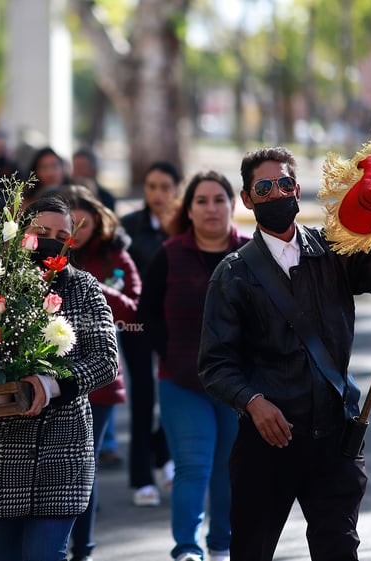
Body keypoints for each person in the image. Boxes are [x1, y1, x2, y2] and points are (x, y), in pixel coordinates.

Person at [198, 146, 371, 561]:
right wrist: (253, 402)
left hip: (335, 437)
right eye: (264, 187)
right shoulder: (233, 274)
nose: (277, 193)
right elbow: (215, 365)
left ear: (298, 190)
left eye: (284, 184)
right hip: (268, 444)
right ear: (247, 199)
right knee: (251, 550)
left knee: (339, 549)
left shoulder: (333, 251)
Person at [0, 194, 119, 561]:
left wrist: (48, 384)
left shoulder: (84, 288)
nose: (50, 241)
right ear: (16, 234)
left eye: (61, 236)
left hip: (62, 453)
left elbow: (106, 360)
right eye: (41, 231)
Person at [139, 170, 249, 561]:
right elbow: (146, 313)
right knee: (192, 467)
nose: (211, 208)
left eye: (218, 199)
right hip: (182, 383)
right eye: (201, 201)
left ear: (232, 203)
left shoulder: (252, 254)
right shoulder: (168, 254)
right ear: (189, 209)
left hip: (240, 386)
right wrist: (170, 354)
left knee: (228, 470)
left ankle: (222, 544)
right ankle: (187, 548)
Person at [61, 186, 133, 561]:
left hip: (100, 380)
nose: (74, 231)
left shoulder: (114, 254)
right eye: (67, 223)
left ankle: (83, 549)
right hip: (51, 378)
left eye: (82, 222)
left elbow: (135, 310)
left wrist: (96, 289)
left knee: (82, 466)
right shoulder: (45, 255)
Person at [119, 161, 181, 507]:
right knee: (143, 398)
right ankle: (142, 478)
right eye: (151, 186)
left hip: (178, 324)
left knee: (177, 393)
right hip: (138, 325)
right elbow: (119, 274)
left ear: (176, 188)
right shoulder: (129, 228)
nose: (157, 194)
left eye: (164, 186)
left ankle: (166, 456)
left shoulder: (185, 225)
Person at [71, 147, 117, 211]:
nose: (77, 172)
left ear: (94, 171)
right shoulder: (66, 195)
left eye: (82, 167)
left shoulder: (106, 198)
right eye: (75, 167)